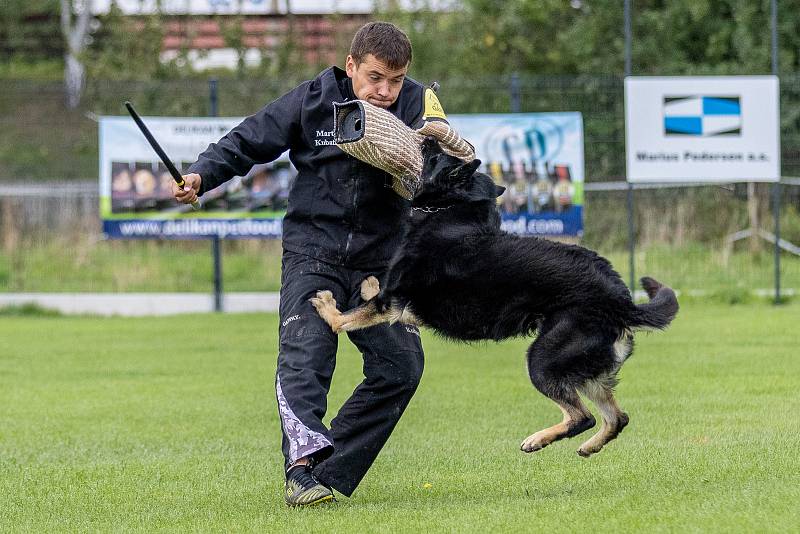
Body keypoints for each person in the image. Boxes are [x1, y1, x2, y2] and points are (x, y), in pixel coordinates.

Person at [174, 22, 451, 506]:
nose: (385, 91)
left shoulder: (419, 105)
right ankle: (300, 471)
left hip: (380, 262)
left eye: (396, 79)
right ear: (350, 67)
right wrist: (200, 174)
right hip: (313, 252)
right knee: (306, 359)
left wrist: (428, 161)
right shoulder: (312, 100)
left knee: (400, 367)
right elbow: (247, 140)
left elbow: (450, 159)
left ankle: (328, 463)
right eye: (375, 78)